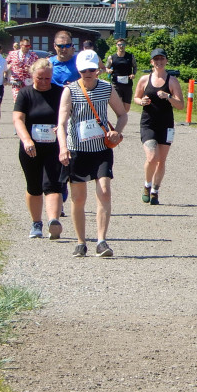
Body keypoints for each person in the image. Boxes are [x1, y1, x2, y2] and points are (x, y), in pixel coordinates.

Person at [57, 49, 129, 258]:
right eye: (83, 71)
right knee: (78, 198)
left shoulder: (106, 88)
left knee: (104, 191)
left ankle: (101, 241)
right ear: (78, 71)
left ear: (97, 69)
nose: (87, 74)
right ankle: (81, 242)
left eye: (91, 70)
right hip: (77, 149)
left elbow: (122, 114)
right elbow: (61, 123)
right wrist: (63, 148)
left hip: (101, 149)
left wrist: (117, 131)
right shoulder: (70, 90)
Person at [12, 58, 65, 239]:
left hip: (54, 147)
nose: (43, 82)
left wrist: (62, 127)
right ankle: (36, 223)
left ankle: (53, 221)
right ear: (32, 76)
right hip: (31, 148)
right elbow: (18, 119)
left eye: (47, 79)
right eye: (39, 78)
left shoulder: (60, 93)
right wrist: (26, 140)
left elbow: (69, 115)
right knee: (34, 186)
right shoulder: (25, 94)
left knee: (53, 184)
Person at [134, 48, 185, 205]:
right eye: (156, 59)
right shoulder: (144, 79)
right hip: (148, 123)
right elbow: (136, 97)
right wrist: (141, 101)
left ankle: (155, 191)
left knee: (161, 160)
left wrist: (168, 96)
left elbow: (180, 105)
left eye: (162, 58)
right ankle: (147, 185)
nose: (159, 62)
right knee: (152, 157)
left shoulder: (172, 81)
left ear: (166, 61)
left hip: (166, 125)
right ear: (151, 62)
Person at [106, 38, 137, 107]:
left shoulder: (130, 56)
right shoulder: (111, 57)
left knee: (126, 107)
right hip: (116, 84)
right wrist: (108, 70)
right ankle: (119, 113)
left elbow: (135, 67)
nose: (121, 46)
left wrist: (133, 74)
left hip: (127, 84)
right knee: (118, 104)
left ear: (125, 45)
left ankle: (123, 113)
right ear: (116, 45)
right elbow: (106, 67)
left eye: (123, 44)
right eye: (119, 45)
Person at [7, 37, 40, 102]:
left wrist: (30, 69)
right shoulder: (12, 54)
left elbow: (38, 68)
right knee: (17, 101)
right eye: (26, 46)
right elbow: (6, 64)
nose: (28, 47)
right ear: (21, 45)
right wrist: (8, 68)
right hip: (17, 82)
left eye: (29, 46)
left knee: (28, 101)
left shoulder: (33, 56)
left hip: (28, 82)